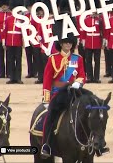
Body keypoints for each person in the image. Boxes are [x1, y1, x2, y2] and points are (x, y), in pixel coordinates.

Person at [40, 25, 86, 158]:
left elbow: (82, 75)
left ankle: (93, 143)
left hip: (75, 92)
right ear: (60, 43)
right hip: (58, 92)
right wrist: (47, 98)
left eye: (70, 42)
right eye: (66, 42)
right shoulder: (53, 59)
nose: (68, 44)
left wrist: (78, 82)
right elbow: (47, 80)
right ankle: (46, 144)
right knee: (50, 116)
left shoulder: (78, 59)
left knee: (92, 109)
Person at [1, 0, 24, 84]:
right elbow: (4, 31)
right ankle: (12, 77)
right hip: (9, 42)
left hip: (18, 41)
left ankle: (18, 77)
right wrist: (3, 42)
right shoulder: (8, 19)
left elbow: (24, 32)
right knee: (10, 60)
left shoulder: (22, 19)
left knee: (18, 60)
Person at [82, 0, 102, 83]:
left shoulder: (100, 20)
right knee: (88, 60)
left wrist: (104, 40)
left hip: (97, 42)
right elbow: (83, 31)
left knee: (97, 61)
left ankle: (96, 77)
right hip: (88, 42)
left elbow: (103, 30)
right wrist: (83, 40)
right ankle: (89, 77)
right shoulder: (86, 19)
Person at [0, 0, 11, 79]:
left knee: (8, 57)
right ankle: (2, 73)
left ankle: (8, 72)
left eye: (6, 6)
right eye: (3, 6)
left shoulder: (11, 14)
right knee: (1, 56)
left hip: (8, 38)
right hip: (0, 38)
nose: (4, 7)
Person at [24, 0, 39, 79]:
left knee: (36, 56)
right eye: (29, 7)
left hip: (35, 38)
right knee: (28, 55)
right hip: (27, 38)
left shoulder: (37, 17)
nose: (30, 8)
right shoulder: (25, 16)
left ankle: (36, 71)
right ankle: (30, 72)